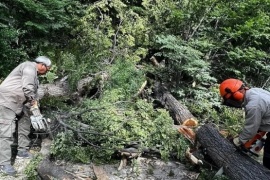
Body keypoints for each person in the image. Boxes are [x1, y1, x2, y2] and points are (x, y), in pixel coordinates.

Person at [0, 56, 51, 176]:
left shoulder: (35, 76)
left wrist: (35, 111)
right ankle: (4, 163)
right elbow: (27, 87)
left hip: (18, 103)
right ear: (42, 65)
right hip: (7, 101)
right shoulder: (29, 67)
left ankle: (22, 151)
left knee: (26, 121)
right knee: (6, 131)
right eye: (47, 69)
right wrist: (33, 102)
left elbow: (31, 92)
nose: (47, 71)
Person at [219, 78, 270, 169]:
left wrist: (238, 141)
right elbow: (259, 122)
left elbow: (251, 128)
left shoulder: (254, 105)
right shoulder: (254, 92)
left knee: (268, 160)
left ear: (237, 94)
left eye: (231, 100)